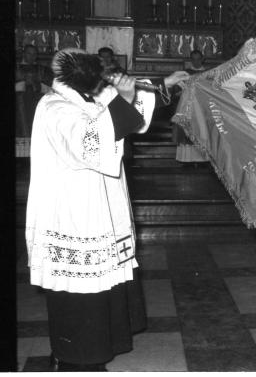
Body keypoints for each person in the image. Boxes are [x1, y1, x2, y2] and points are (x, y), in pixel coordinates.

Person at [25, 48, 189, 371]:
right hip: (74, 219)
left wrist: (163, 83)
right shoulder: (56, 108)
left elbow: (129, 108)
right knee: (79, 298)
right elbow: (93, 142)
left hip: (97, 215)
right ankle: (72, 360)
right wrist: (122, 98)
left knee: (98, 300)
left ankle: (90, 358)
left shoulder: (84, 99)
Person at [15, 44, 53, 157]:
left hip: (38, 106)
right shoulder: (16, 68)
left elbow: (53, 88)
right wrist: (19, 85)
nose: (32, 56)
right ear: (23, 53)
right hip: (18, 106)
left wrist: (38, 86)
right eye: (29, 53)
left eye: (34, 54)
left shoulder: (43, 70)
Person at [173, 49, 210, 164]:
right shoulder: (185, 73)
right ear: (190, 60)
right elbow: (177, 90)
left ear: (202, 59)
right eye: (193, 59)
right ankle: (187, 158)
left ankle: (202, 158)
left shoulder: (209, 73)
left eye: (198, 59)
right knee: (187, 131)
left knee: (202, 131)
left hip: (202, 107)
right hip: (188, 107)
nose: (196, 62)